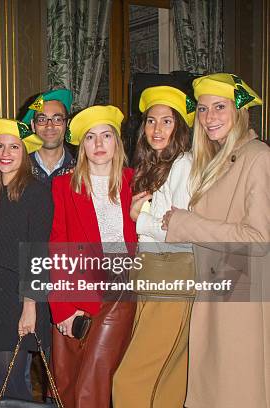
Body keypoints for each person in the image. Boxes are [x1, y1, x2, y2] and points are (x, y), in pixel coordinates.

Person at [162, 73, 270, 408]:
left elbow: (259, 237)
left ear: (239, 112)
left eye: (220, 107)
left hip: (241, 297)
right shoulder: (217, 158)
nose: (210, 118)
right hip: (217, 290)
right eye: (204, 109)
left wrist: (186, 224)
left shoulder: (257, 156)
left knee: (237, 392)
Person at [112, 86, 196, 407]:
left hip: (172, 276)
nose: (156, 129)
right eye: (150, 121)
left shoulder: (183, 165)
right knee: (168, 379)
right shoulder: (154, 165)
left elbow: (182, 232)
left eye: (166, 122)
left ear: (180, 128)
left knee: (131, 378)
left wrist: (139, 219)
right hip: (152, 275)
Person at [48, 105, 137, 407]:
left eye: (106, 136)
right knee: (71, 384)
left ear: (117, 142)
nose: (99, 145)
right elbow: (56, 248)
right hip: (78, 296)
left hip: (120, 292)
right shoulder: (63, 186)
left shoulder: (135, 182)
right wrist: (61, 308)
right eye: (90, 137)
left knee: (92, 383)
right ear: (82, 146)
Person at [0, 118, 51, 401]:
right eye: (0, 146)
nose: (5, 153)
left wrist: (31, 306)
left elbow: (38, 251)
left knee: (12, 381)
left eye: (14, 147)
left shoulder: (36, 193)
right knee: (5, 376)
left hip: (19, 294)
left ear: (25, 152)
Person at [22, 89, 76, 184]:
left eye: (57, 119)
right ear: (33, 125)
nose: (49, 126)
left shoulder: (80, 171)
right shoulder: (18, 168)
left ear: (67, 124)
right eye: (42, 119)